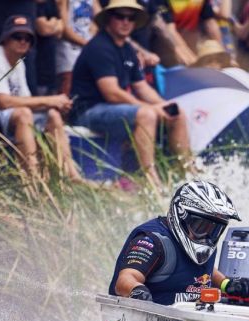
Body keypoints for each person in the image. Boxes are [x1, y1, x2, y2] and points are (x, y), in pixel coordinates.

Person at [69, 0, 190, 187]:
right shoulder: (99, 47)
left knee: (177, 112)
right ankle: (151, 180)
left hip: (112, 109)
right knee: (147, 114)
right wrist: (151, 108)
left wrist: (163, 106)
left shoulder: (127, 49)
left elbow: (142, 87)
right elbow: (112, 93)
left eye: (131, 17)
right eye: (120, 16)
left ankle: (187, 171)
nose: (126, 22)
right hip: (87, 111)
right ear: (109, 19)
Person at [0, 15, 84, 181]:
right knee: (24, 114)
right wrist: (48, 100)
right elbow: (4, 102)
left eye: (28, 38)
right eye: (17, 37)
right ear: (5, 39)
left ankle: (71, 175)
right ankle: (32, 178)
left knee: (53, 114)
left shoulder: (18, 62)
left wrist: (55, 104)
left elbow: (26, 100)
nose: (23, 41)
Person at [109, 180, 249, 305]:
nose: (207, 234)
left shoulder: (206, 245)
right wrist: (137, 291)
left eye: (214, 229)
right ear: (182, 215)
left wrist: (227, 284)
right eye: (201, 226)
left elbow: (204, 270)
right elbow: (125, 279)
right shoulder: (152, 241)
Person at [56, 0, 98, 95]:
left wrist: (94, 31)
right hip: (68, 53)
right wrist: (90, 45)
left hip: (89, 50)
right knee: (67, 90)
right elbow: (64, 29)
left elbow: (99, 18)